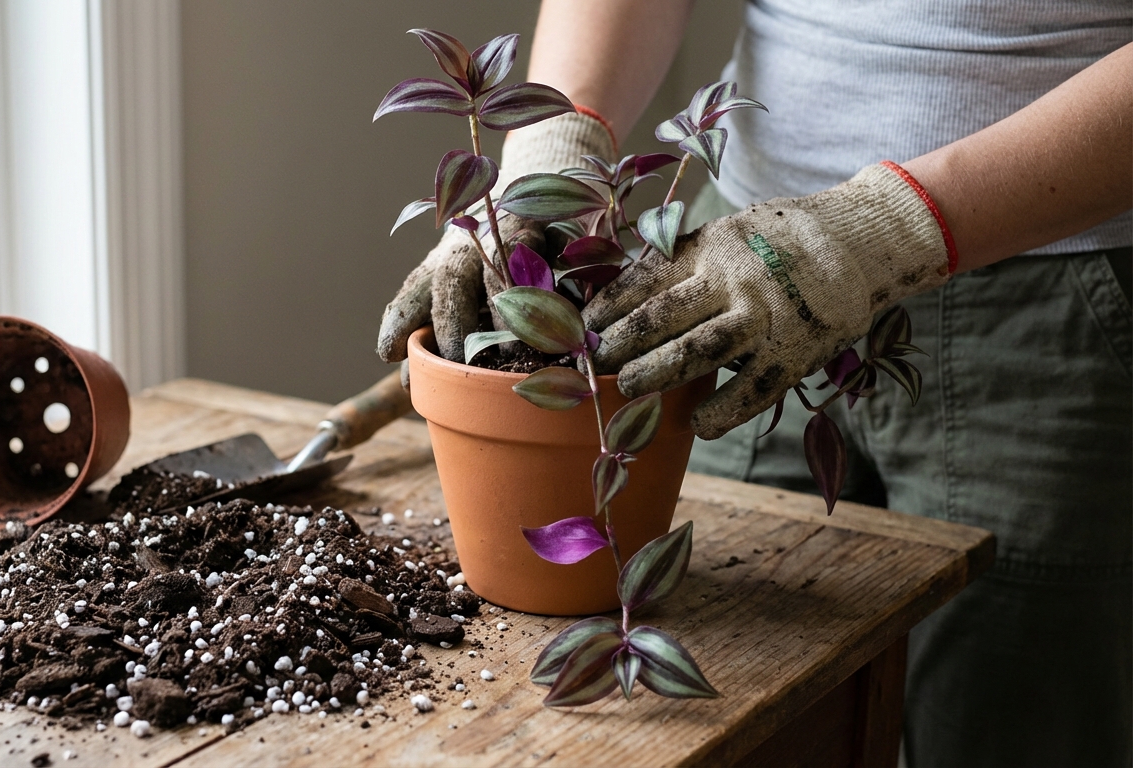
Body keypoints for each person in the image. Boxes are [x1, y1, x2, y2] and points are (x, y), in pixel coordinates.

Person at [376, 1, 1133, 765]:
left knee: (1009, 725)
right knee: (717, 714)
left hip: (1055, 283)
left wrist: (888, 227)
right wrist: (549, 147)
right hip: (727, 269)